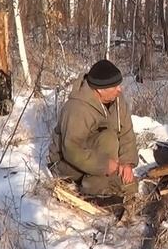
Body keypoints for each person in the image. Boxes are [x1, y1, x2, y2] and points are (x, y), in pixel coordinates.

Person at [49, 59, 138, 198]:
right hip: (67, 163)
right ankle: (93, 191)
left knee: (130, 185)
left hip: (101, 154)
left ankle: (102, 184)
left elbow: (126, 133)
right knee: (108, 139)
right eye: (114, 87)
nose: (120, 89)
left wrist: (127, 163)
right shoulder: (76, 109)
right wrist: (104, 165)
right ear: (100, 90)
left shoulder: (118, 100)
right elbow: (71, 150)